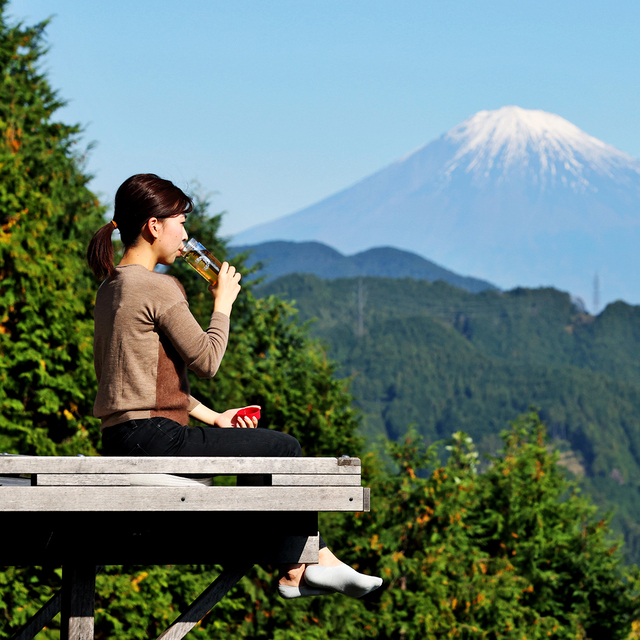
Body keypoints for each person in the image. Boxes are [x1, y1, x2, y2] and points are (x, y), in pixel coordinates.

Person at [87, 173, 382, 599]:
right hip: (154, 439)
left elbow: (137, 385)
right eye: (181, 223)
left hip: (121, 438)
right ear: (154, 226)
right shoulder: (158, 287)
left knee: (261, 448)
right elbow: (207, 361)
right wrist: (222, 303)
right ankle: (301, 566)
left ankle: (307, 565)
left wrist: (214, 417)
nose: (185, 235)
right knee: (283, 448)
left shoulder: (110, 287)